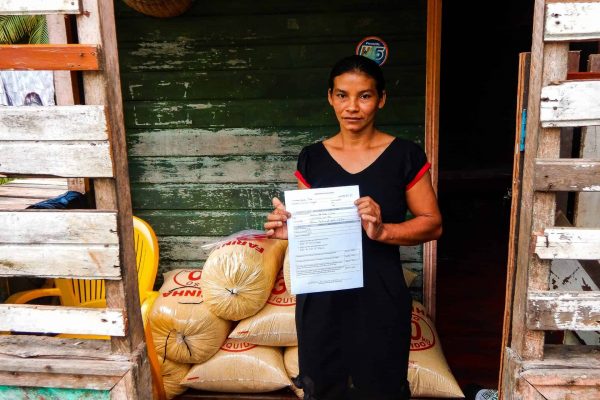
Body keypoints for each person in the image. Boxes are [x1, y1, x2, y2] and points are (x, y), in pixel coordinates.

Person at [264, 55, 442, 400]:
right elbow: (312, 224)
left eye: (364, 96)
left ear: (381, 99)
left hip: (379, 293)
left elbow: (433, 224)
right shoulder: (312, 157)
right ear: (330, 97)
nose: (352, 107)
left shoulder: (405, 155)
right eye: (343, 95)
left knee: (381, 385)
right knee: (323, 383)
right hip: (322, 295)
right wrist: (292, 231)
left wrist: (383, 231)